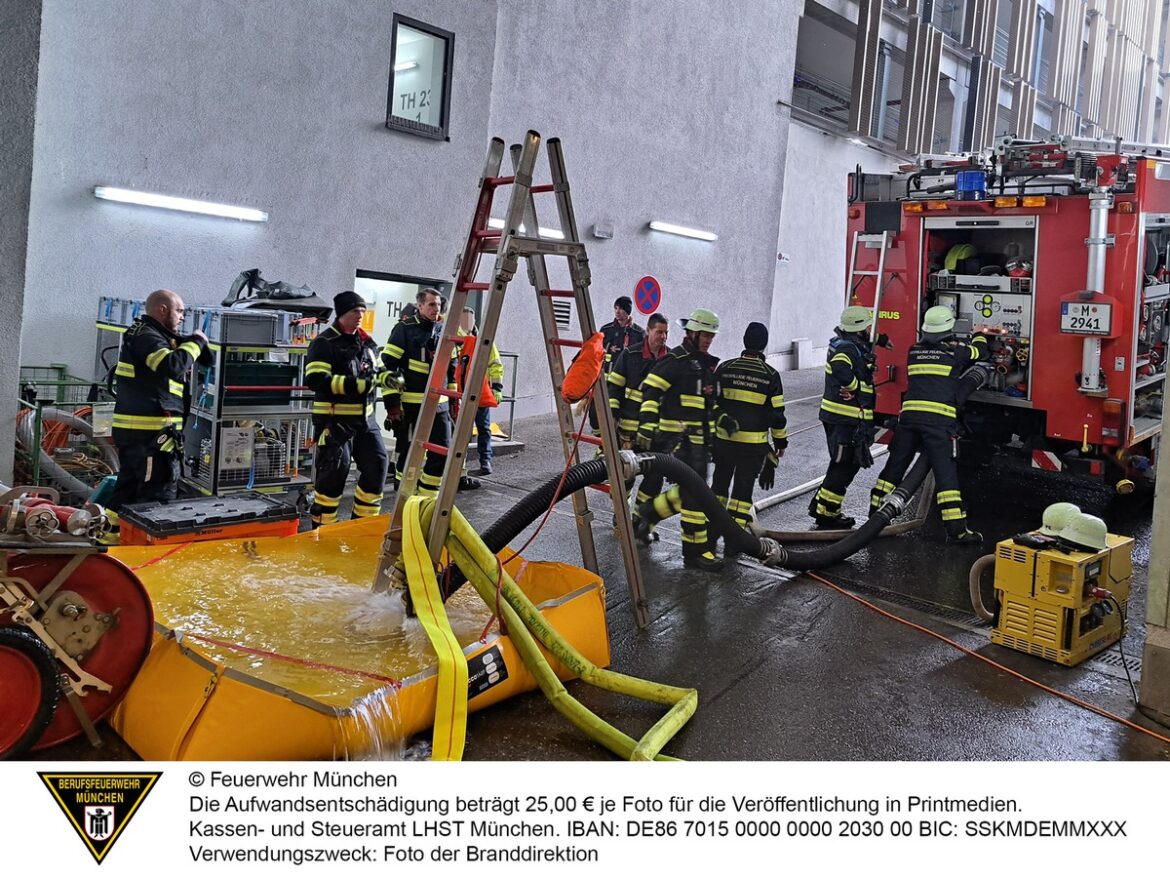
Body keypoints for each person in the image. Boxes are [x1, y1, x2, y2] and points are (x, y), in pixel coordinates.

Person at [868, 305, 990, 544]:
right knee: (945, 475)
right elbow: (980, 353)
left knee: (894, 468)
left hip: (909, 419)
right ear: (947, 329)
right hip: (938, 423)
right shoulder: (957, 353)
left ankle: (875, 516)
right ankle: (957, 530)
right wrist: (980, 334)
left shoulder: (914, 351)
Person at [633, 308, 722, 571]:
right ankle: (694, 552)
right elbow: (650, 390)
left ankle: (647, 515)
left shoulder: (704, 364)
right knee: (695, 496)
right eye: (704, 335)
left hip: (699, 443)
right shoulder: (676, 360)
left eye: (711, 336)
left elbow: (706, 406)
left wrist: (716, 432)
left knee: (688, 493)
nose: (708, 340)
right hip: (681, 443)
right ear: (692, 333)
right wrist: (648, 427)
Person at [109, 288, 211, 510]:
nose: (183, 316)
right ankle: (144, 542)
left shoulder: (152, 334)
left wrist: (197, 345)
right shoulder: (146, 336)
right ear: (162, 310)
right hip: (150, 437)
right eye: (180, 311)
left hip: (144, 436)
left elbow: (203, 359)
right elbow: (171, 366)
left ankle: (113, 536)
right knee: (154, 496)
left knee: (129, 490)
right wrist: (195, 342)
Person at [303, 291, 391, 526]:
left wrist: (391, 378)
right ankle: (322, 531)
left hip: (366, 425)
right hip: (335, 424)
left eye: (363, 310)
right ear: (342, 314)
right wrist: (354, 385)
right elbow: (315, 379)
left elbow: (379, 372)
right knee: (332, 477)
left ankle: (361, 527)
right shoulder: (324, 343)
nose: (360, 315)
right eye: (355, 311)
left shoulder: (368, 344)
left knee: (378, 467)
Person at [381, 288, 474, 494]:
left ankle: (427, 497)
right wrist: (393, 406)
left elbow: (451, 368)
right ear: (420, 305)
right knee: (407, 452)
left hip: (438, 404)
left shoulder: (443, 329)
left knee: (441, 451)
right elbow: (389, 368)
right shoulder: (404, 329)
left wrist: (453, 402)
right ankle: (403, 495)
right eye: (431, 304)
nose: (436, 309)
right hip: (410, 405)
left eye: (439, 305)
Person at [710, 322, 787, 536]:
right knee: (742, 492)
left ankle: (713, 529)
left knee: (720, 484)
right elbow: (777, 416)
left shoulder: (725, 368)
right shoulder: (770, 375)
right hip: (752, 448)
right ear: (764, 345)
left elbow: (711, 404)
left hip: (724, 442)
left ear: (744, 341)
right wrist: (780, 444)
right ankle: (735, 536)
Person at [809, 305, 883, 528]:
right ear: (859, 329)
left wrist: (882, 339)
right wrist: (855, 387)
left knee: (843, 464)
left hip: (842, 418)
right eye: (868, 326)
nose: (871, 329)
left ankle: (821, 506)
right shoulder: (847, 349)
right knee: (844, 465)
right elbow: (840, 367)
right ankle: (827, 513)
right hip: (844, 418)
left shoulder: (847, 342)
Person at [608, 312, 669, 536]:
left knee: (654, 480)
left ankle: (639, 523)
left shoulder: (670, 360)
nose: (663, 337)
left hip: (656, 435)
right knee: (625, 478)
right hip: (628, 434)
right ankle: (620, 520)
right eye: (659, 332)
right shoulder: (629, 355)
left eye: (666, 333)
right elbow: (614, 387)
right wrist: (612, 416)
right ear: (648, 331)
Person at [457, 306, 505, 476]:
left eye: (470, 318)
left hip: (478, 392)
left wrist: (497, 389)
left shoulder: (484, 341)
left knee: (483, 429)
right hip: (457, 394)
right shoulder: (455, 339)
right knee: (460, 430)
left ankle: (485, 461)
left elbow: (495, 365)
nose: (468, 322)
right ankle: (458, 466)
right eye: (465, 318)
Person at [591, 296, 645, 431]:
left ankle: (615, 442)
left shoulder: (638, 333)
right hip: (604, 382)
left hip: (626, 385)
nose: (617, 311)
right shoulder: (606, 330)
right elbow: (595, 353)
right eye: (615, 308)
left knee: (620, 416)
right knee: (595, 416)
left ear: (628, 310)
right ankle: (601, 440)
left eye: (621, 308)